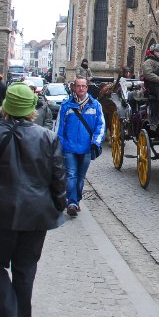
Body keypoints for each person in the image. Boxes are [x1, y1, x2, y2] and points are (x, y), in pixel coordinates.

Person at [0, 82, 66, 317]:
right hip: (36, 215)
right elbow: (58, 176)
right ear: (32, 108)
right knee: (25, 272)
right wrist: (59, 204)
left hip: (0, 213)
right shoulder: (48, 137)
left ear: (5, 107)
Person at [57, 77, 105, 218]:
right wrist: (59, 145)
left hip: (87, 148)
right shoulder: (66, 106)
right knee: (72, 174)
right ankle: (72, 203)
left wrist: (96, 142)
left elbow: (100, 126)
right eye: (78, 86)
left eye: (83, 86)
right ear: (74, 88)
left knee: (81, 177)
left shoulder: (95, 105)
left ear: (87, 88)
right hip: (69, 147)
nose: (81, 89)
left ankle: (76, 199)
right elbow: (60, 127)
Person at [141, 44, 159, 125]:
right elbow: (148, 74)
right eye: (157, 51)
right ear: (153, 52)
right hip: (151, 86)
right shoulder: (148, 62)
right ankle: (156, 116)